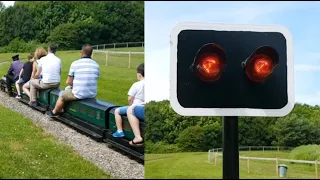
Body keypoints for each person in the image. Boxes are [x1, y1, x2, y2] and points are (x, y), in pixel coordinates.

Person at [46, 44, 100, 117]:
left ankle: (54, 112)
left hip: (79, 94)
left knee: (62, 95)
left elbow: (68, 82)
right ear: (91, 53)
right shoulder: (96, 65)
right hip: (92, 94)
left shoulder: (75, 63)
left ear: (82, 52)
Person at [112, 63, 145, 138]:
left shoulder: (136, 84)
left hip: (135, 108)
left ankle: (119, 131)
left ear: (139, 74)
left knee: (117, 111)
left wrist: (130, 106)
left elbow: (130, 98)